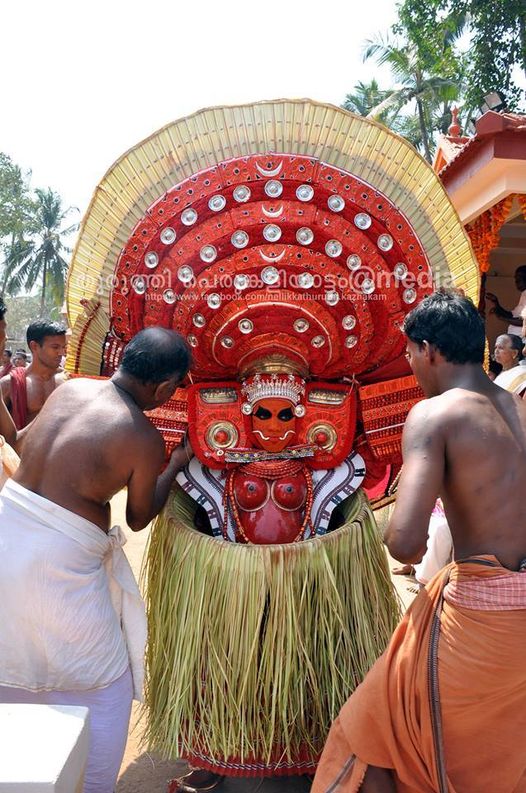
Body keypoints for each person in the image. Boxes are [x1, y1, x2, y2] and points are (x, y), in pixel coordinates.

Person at [313, 289, 526, 793]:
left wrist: (372, 520)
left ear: (428, 349)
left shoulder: (435, 414)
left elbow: (405, 544)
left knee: (369, 732)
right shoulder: (515, 405)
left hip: (481, 617)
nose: (411, 365)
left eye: (409, 353)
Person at [0, 327, 192, 793]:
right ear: (164, 388)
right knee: (104, 680)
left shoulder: (70, 390)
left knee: (13, 656)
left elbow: (24, 444)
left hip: (9, 531)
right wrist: (176, 463)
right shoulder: (141, 435)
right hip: (58, 561)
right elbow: (141, 515)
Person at [1, 320, 67, 428]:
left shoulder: (67, 382)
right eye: (55, 347)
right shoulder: (9, 384)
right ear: (34, 346)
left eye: (63, 347)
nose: (62, 353)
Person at [486, 264, 526, 335]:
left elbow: (523, 322)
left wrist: (502, 318)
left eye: (519, 278)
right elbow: (511, 315)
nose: (516, 281)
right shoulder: (524, 294)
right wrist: (496, 303)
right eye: (516, 278)